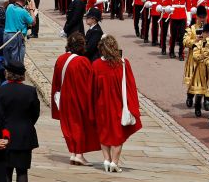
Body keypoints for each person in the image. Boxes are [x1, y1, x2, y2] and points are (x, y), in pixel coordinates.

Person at [92, 36, 142, 172]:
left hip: (101, 104)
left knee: (104, 133)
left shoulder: (96, 65)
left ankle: (106, 160)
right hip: (118, 104)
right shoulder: (123, 63)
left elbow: (93, 88)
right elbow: (130, 86)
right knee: (118, 134)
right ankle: (114, 162)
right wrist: (134, 105)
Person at [51, 33, 100, 165]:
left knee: (69, 126)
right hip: (77, 98)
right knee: (79, 125)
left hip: (63, 98)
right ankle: (79, 154)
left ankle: (73, 153)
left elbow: (55, 81)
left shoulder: (61, 59)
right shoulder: (82, 61)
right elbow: (88, 83)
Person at [2, 0, 35, 66]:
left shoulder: (9, 7)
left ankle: (8, 75)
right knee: (17, 60)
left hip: (7, 35)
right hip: (17, 37)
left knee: (7, 58)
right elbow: (33, 22)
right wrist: (31, 10)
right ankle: (15, 76)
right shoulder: (23, 12)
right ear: (25, 0)